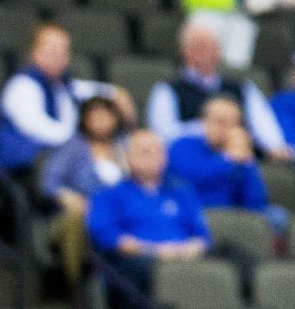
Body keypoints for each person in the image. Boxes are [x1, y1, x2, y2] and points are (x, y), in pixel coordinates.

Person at [86, 129, 210, 307]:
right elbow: (106, 236)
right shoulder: (108, 195)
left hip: (185, 254)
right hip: (138, 261)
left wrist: (189, 248)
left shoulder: (182, 192)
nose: (152, 156)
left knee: (229, 259)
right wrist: (156, 251)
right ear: (128, 157)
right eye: (144, 151)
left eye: (157, 150)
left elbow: (201, 234)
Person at [0, 23, 131, 173]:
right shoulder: (22, 86)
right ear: (34, 52)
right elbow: (40, 130)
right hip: (26, 167)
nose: (59, 56)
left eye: (64, 51)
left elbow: (86, 89)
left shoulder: (61, 85)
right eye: (52, 50)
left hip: (59, 158)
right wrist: (88, 145)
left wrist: (116, 93)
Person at [144, 18, 290, 157]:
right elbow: (163, 134)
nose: (207, 52)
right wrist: (208, 129)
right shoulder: (168, 89)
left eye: (212, 46)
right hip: (191, 161)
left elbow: (262, 122)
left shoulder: (241, 87)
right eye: (200, 46)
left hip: (238, 156)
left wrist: (275, 146)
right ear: (185, 51)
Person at [40, 96, 129, 287]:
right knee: (77, 221)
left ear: (115, 119)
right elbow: (48, 181)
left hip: (121, 213)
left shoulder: (126, 145)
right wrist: (68, 197)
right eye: (95, 117)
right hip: (82, 212)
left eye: (105, 117)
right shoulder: (73, 147)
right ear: (85, 120)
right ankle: (77, 287)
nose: (100, 122)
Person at [166, 96, 271, 214]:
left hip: (234, 216)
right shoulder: (182, 145)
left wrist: (248, 163)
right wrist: (227, 158)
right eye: (221, 122)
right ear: (203, 122)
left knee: (276, 216)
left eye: (234, 123)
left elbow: (256, 203)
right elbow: (188, 180)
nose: (228, 129)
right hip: (195, 213)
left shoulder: (238, 153)